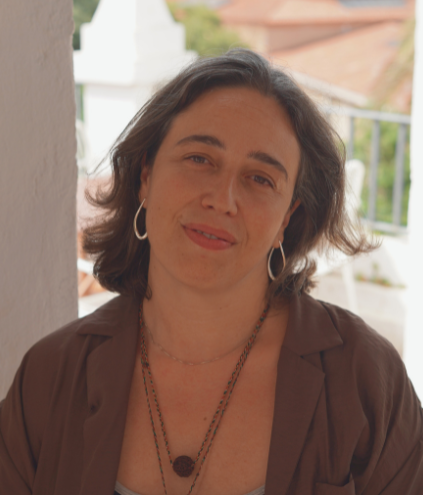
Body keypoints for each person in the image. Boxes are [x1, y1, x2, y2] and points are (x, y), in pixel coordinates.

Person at [0, 49, 422, 495]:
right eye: (199, 159)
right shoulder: (51, 376)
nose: (222, 200)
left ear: (286, 218)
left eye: (260, 178)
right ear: (146, 175)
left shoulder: (363, 379)